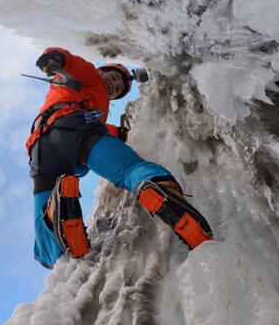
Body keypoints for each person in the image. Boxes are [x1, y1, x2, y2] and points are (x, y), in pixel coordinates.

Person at [27, 47, 213, 269]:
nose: (112, 86)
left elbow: (99, 126)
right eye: (113, 78)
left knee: (50, 253)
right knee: (130, 170)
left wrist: (119, 133)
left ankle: (55, 211)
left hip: (42, 149)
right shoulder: (90, 77)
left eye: (116, 89)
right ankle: (157, 189)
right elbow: (76, 65)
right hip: (76, 129)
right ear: (102, 71)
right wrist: (57, 58)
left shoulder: (95, 104)